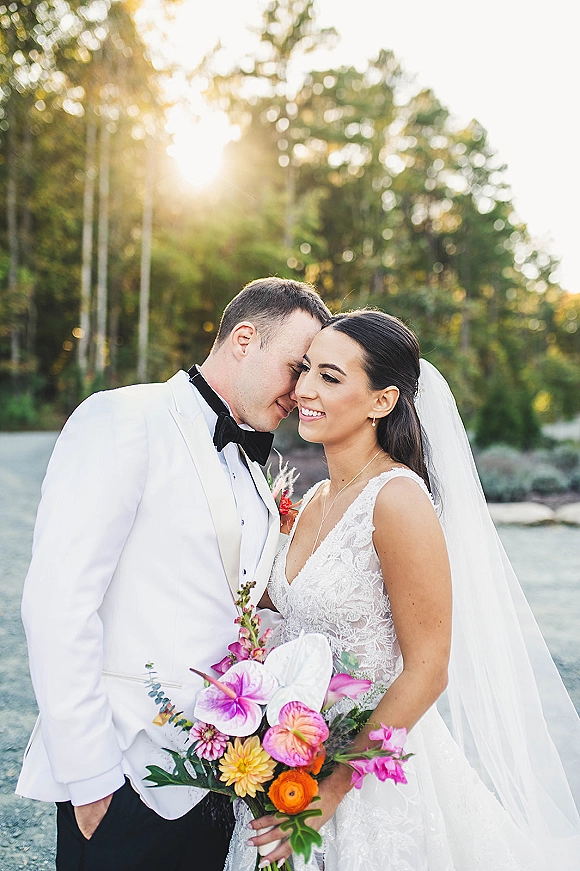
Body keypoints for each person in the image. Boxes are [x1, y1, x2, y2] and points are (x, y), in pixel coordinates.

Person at [226, 310, 580, 870]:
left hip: (369, 786)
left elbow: (428, 669)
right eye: (307, 370)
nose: (306, 390)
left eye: (332, 377)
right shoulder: (315, 499)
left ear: (382, 401)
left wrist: (328, 795)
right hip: (290, 764)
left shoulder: (397, 499)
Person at [16, 277, 330, 871]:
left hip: (221, 777)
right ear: (244, 339)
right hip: (124, 772)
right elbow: (58, 605)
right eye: (296, 366)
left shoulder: (253, 465)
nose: (302, 389)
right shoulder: (121, 419)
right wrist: (91, 777)